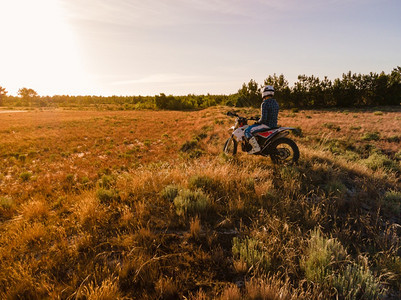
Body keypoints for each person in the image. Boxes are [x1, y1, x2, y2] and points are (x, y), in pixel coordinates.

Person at [244, 85, 279, 154]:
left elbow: (264, 119)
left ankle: (256, 148)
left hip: (266, 125)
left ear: (264, 93)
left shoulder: (265, 103)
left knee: (247, 131)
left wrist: (258, 122)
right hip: (274, 125)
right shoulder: (276, 103)